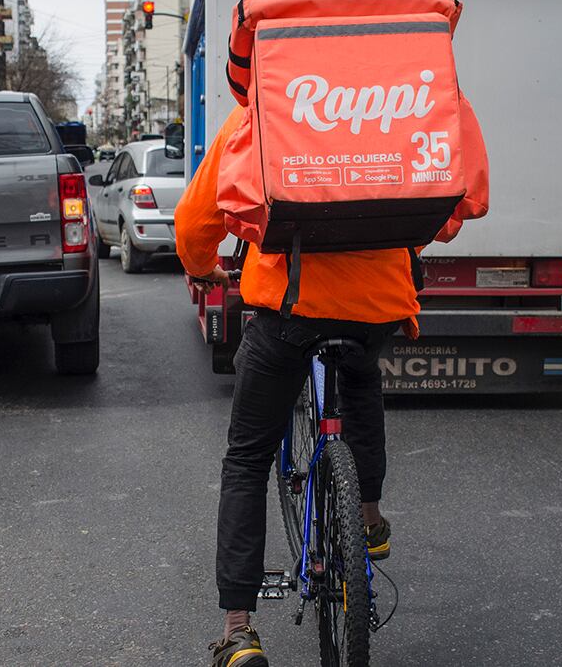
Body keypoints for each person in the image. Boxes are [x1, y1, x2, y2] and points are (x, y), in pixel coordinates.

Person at [176, 104, 485, 666]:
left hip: (288, 308)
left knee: (247, 458)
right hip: (376, 304)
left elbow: (196, 220)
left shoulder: (256, 111)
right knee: (361, 380)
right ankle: (368, 521)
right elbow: (458, 199)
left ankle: (238, 632)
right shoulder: (406, 101)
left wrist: (200, 267)